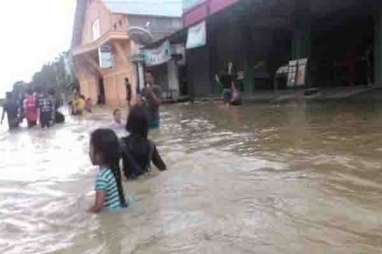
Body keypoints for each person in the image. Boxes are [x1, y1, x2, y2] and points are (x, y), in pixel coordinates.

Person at [120, 106, 167, 180]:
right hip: (147, 183)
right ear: (146, 125)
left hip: (129, 184)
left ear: (129, 123)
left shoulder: (121, 144)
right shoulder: (150, 145)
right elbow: (162, 168)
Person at [88, 129, 127, 213]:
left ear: (100, 155)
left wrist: (86, 213)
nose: (88, 152)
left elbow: (98, 206)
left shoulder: (101, 177)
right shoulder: (113, 170)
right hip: (117, 211)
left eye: (91, 149)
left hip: (112, 215)